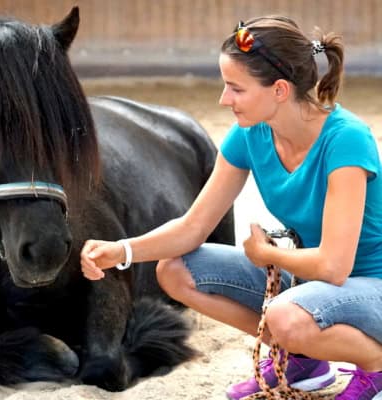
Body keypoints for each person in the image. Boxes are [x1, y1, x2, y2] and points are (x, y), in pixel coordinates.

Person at [80, 15, 382, 400]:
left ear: (279, 90)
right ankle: (305, 359)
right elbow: (193, 227)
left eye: (235, 88)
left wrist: (267, 254)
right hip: (313, 286)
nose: (224, 99)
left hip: (370, 285)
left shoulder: (347, 140)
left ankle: (374, 364)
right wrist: (122, 250)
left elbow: (334, 267)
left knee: (286, 316)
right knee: (173, 271)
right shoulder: (249, 134)